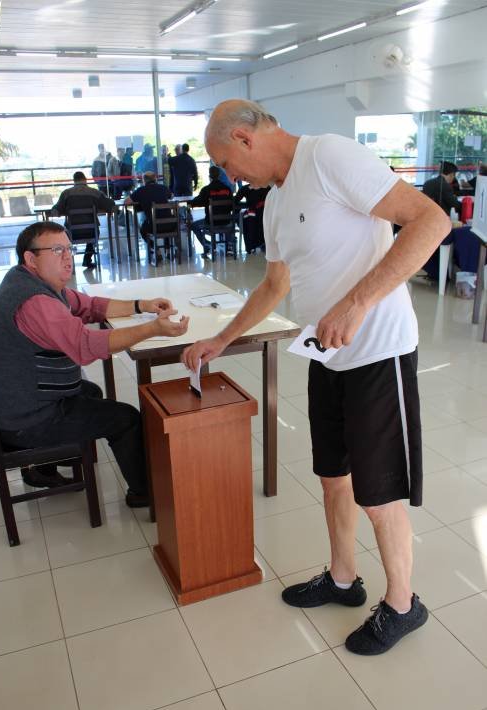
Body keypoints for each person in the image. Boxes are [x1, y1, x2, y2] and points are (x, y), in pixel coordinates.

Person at [182, 99, 451, 656]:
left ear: (245, 138)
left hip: (378, 351)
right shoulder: (276, 202)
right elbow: (273, 286)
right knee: (333, 476)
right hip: (327, 357)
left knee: (379, 494)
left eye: (226, 163)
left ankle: (404, 604)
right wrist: (222, 339)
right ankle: (343, 579)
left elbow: (431, 220)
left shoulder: (329, 156)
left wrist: (357, 303)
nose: (230, 177)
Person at [0, 221, 189, 506]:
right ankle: (144, 493)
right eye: (57, 250)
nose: (68, 257)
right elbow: (84, 345)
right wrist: (152, 329)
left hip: (21, 402)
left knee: (91, 392)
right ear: (31, 259)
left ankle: (43, 468)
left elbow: (90, 306)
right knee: (126, 419)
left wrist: (141, 305)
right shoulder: (34, 302)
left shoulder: (32, 283)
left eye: (69, 249)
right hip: (27, 419)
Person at [51, 171, 116, 269]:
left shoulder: (66, 193)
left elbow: (55, 211)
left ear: (74, 181)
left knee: (65, 233)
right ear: (85, 180)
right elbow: (111, 206)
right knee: (95, 232)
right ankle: (87, 258)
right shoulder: (95, 193)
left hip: (72, 233)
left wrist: (62, 211)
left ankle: (68, 262)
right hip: (92, 232)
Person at [422, 161, 462, 279]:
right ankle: (441, 274)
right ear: (451, 174)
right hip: (440, 222)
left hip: (426, 220)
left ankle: (434, 273)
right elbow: (454, 204)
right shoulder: (444, 186)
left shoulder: (428, 183)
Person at [125, 171, 173, 263]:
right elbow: (172, 196)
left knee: (143, 230)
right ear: (155, 179)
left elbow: (127, 202)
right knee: (165, 219)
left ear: (144, 180)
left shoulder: (141, 190)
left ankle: (156, 249)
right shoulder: (163, 188)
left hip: (153, 226)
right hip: (170, 225)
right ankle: (167, 250)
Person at [189, 165, 234, 257]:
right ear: (220, 175)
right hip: (226, 221)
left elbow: (197, 202)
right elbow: (231, 205)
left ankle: (207, 246)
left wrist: (190, 203)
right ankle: (229, 246)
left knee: (193, 225)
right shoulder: (228, 189)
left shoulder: (206, 190)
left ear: (209, 176)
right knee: (229, 221)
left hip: (211, 222)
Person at [234, 182, 270, 253]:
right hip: (265, 215)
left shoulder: (245, 189)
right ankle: (262, 243)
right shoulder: (267, 187)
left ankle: (251, 246)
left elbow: (235, 201)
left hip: (254, 215)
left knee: (248, 217)